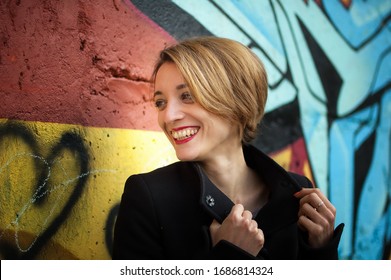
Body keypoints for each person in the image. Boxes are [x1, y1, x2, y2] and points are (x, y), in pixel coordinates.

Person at [112, 36, 344, 259]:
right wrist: (228, 259)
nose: (168, 116)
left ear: (237, 102)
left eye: (187, 96)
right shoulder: (148, 197)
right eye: (160, 102)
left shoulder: (298, 194)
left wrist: (320, 249)